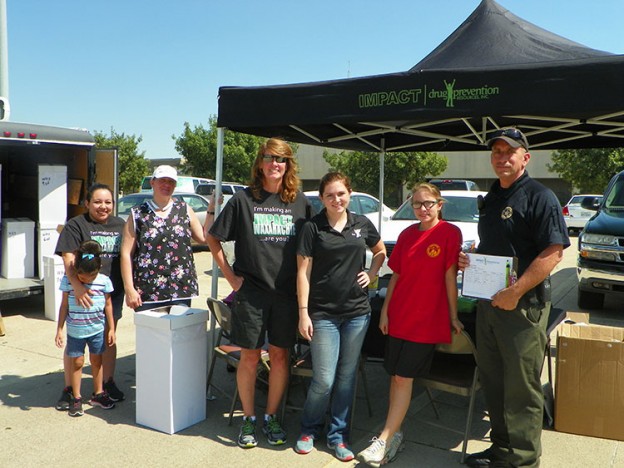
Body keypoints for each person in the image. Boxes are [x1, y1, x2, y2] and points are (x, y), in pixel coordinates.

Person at [461, 128, 570, 468]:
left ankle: (523, 459)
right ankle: (501, 449)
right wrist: (472, 258)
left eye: (510, 152)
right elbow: (498, 247)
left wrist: (515, 292)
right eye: (496, 151)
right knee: (494, 380)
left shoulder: (540, 197)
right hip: (489, 305)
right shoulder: (492, 197)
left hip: (523, 307)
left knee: (521, 386)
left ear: (525, 157)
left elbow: (553, 253)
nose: (502, 157)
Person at [206, 137, 311, 449]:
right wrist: (231, 278)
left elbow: (314, 246)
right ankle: (249, 420)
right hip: (251, 292)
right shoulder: (243, 199)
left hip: (286, 295)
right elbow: (214, 239)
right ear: (260, 163)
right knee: (249, 357)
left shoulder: (300, 202)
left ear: (287, 165)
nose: (274, 164)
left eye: (280, 159)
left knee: (280, 356)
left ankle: (271, 417)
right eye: (268, 158)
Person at [357, 182, 464, 467]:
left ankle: (383, 438)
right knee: (395, 376)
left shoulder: (450, 233)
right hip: (400, 314)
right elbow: (397, 277)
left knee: (404, 378)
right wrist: (385, 312)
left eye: (428, 203)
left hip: (427, 319)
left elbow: (450, 277)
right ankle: (395, 433)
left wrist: (453, 316)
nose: (423, 209)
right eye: (417, 204)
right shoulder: (406, 234)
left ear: (439, 204)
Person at [294, 172, 386, 462]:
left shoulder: (362, 224)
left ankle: (338, 435)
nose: (336, 199)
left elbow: (381, 251)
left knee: (346, 378)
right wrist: (303, 313)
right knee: (323, 379)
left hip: (357, 314)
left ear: (350, 194)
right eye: (330, 195)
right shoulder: (312, 227)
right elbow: (303, 273)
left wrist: (371, 273)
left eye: (341, 194)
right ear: (321, 198)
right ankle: (309, 429)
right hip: (323, 315)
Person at [54, 183, 126, 411]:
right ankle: (69, 388)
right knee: (76, 339)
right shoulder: (76, 225)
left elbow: (129, 255)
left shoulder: (120, 225)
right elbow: (67, 258)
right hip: (81, 291)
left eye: (108, 202)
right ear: (87, 203)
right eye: (97, 202)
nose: (103, 206)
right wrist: (77, 287)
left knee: (107, 336)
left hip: (109, 291)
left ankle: (107, 382)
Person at [121, 165, 206, 312]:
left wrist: (211, 209)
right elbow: (126, 253)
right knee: (152, 334)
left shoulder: (184, 209)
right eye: (162, 180)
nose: (166, 185)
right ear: (153, 182)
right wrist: (129, 288)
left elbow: (204, 238)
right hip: (148, 291)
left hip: (180, 289)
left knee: (178, 334)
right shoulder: (138, 214)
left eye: (171, 181)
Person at [54, 240, 116, 417]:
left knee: (97, 361)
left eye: (91, 277)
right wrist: (59, 329)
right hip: (75, 331)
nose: (86, 281)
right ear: (76, 272)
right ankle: (76, 397)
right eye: (82, 278)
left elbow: (108, 305)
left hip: (97, 329)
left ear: (98, 269)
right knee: (78, 363)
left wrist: (111, 329)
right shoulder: (68, 282)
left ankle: (98, 393)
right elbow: (64, 306)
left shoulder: (104, 281)